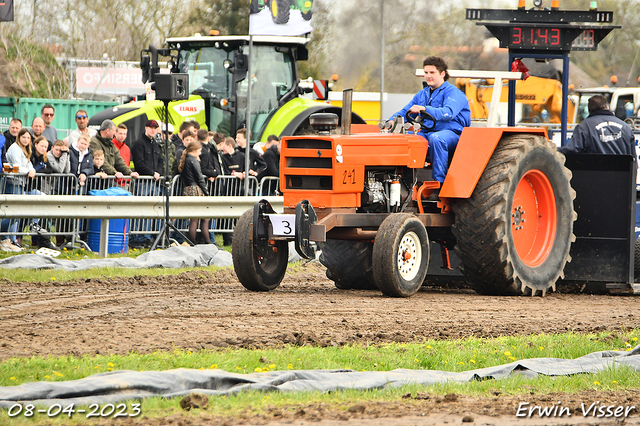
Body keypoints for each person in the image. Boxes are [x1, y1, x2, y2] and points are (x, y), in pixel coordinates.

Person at [388, 56, 471, 191]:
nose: (428, 76)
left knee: (437, 139)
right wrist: (392, 120)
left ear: (442, 74)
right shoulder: (423, 94)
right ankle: (406, 182)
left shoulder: (453, 93)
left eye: (432, 73)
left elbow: (448, 112)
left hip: (453, 135)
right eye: (426, 73)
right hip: (428, 132)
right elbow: (406, 111)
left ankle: (440, 184)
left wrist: (425, 109)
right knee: (407, 138)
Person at [558, 95, 635, 155]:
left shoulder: (584, 127)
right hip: (622, 174)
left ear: (589, 111)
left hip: (593, 174)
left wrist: (554, 150)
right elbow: (633, 160)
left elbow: (572, 150)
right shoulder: (626, 128)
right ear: (607, 107)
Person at [130, 120, 164, 248]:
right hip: (143, 182)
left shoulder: (155, 144)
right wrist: (152, 173)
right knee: (141, 209)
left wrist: (158, 173)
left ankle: (145, 237)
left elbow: (160, 161)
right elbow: (139, 163)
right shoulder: (139, 143)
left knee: (151, 210)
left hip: (153, 182)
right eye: (151, 127)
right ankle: (137, 238)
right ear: (146, 127)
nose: (153, 130)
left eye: (155, 128)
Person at [0, 128, 35, 251]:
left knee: (16, 213)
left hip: (20, 183)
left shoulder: (25, 149)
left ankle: (8, 239)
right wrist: (28, 171)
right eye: (23, 137)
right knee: (14, 213)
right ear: (19, 138)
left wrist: (32, 170)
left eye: (28, 137)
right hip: (12, 182)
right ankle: (6, 236)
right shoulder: (15, 148)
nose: (26, 140)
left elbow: (29, 165)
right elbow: (15, 167)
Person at [178, 140, 212, 245]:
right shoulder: (193, 160)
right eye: (199, 151)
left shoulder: (185, 160)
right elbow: (199, 177)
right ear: (193, 150)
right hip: (196, 190)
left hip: (188, 189)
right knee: (204, 217)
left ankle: (193, 242)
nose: (200, 153)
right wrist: (206, 192)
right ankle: (206, 241)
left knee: (194, 218)